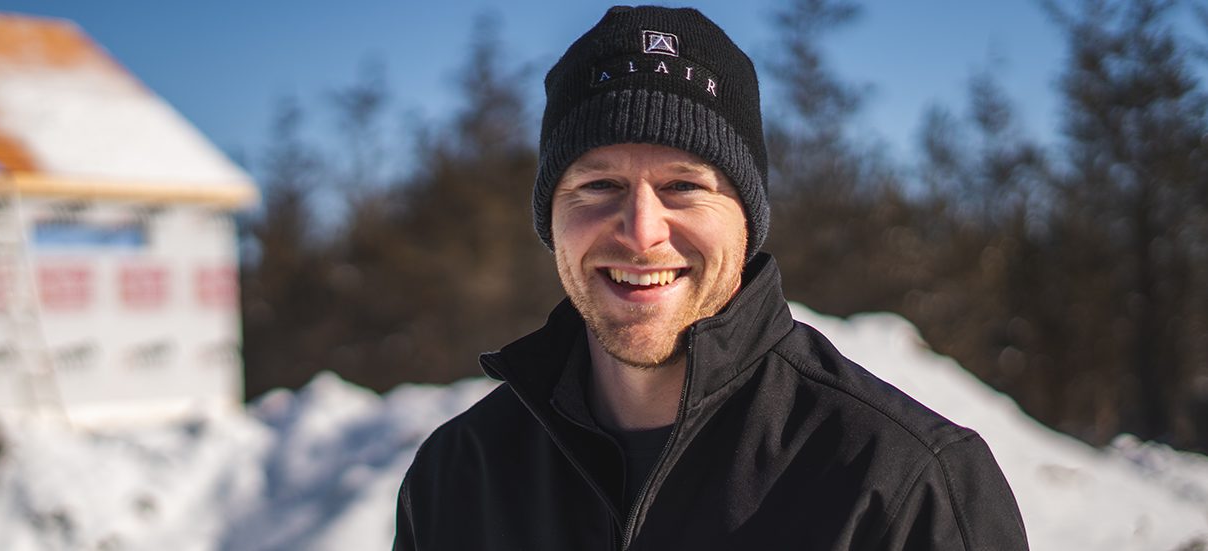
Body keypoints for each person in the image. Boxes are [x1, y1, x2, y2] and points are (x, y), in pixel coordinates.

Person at [394, 6, 1028, 550]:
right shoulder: (457, 476)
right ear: (551, 218)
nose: (641, 232)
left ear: (747, 219)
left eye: (683, 186)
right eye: (599, 185)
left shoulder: (902, 482)